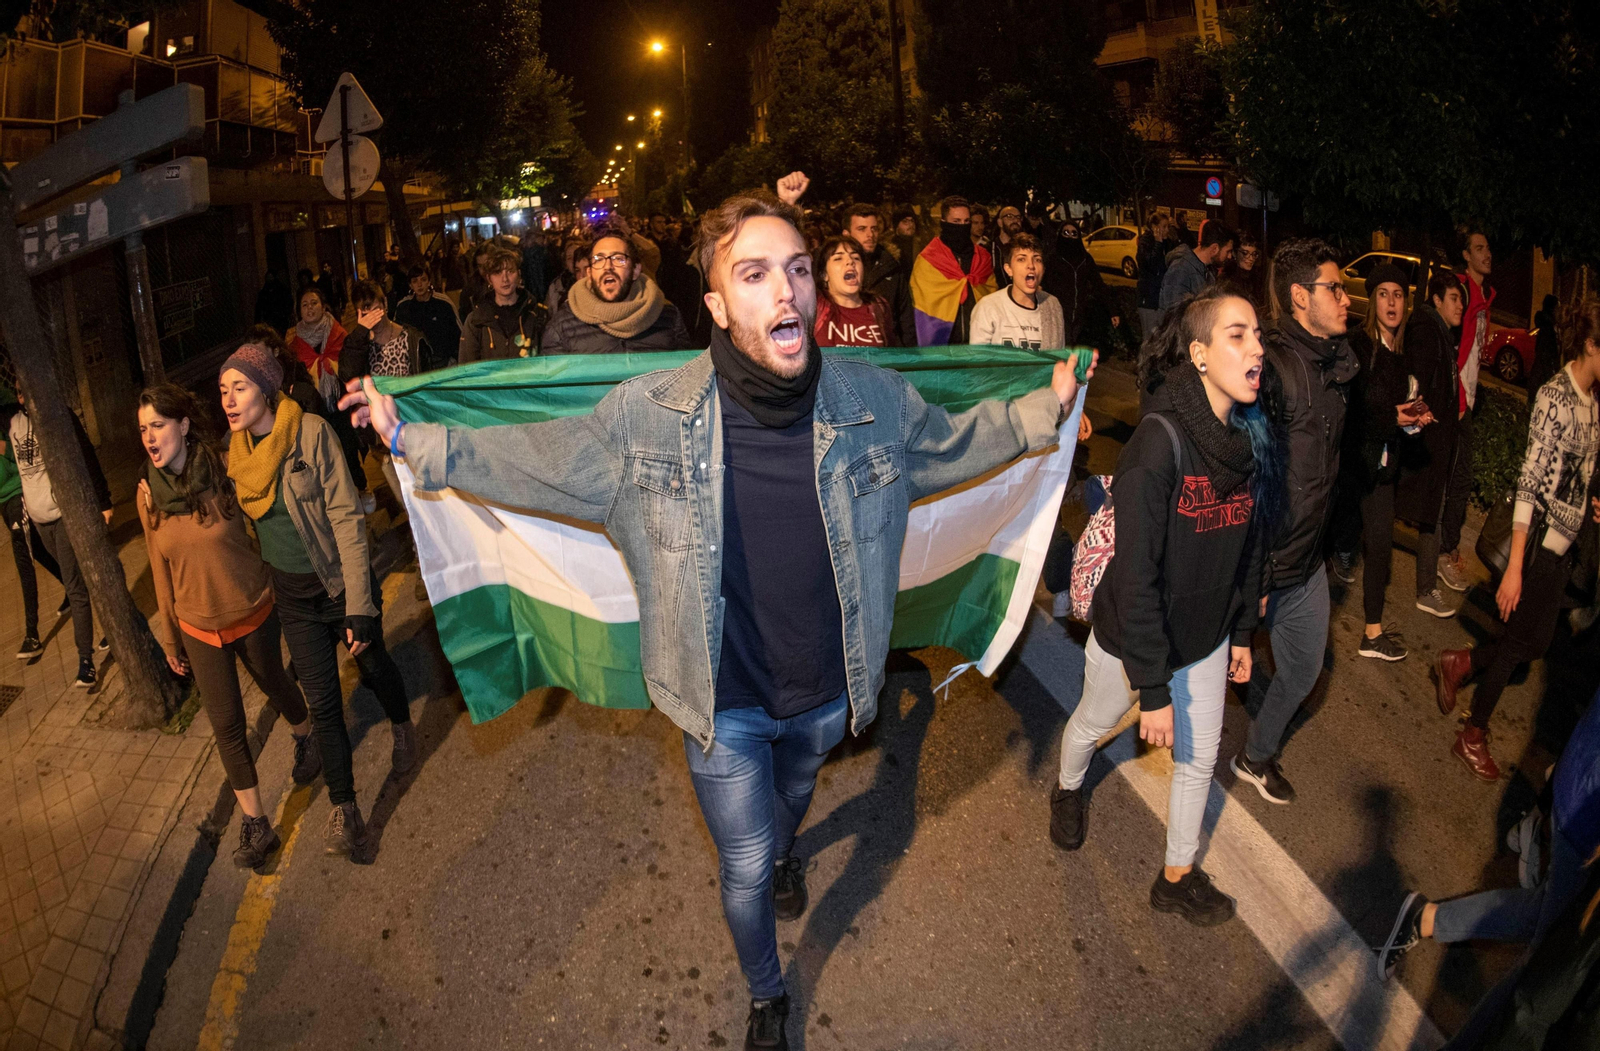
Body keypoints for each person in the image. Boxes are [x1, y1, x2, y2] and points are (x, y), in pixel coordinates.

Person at [341, 189, 1091, 1051]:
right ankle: (768, 991)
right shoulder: (648, 416)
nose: (787, 292)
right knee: (743, 864)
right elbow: (536, 463)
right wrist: (416, 440)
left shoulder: (874, 399)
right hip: (719, 694)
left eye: (800, 270)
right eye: (756, 273)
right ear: (717, 304)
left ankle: (783, 849)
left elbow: (961, 441)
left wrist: (1046, 408)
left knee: (793, 801)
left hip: (828, 686)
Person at [1051, 286, 1280, 926]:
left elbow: (1249, 548)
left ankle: (1176, 876)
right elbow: (1137, 576)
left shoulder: (1250, 440)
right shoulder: (1158, 444)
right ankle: (1067, 790)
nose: (1256, 347)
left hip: (1205, 637)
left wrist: (1241, 634)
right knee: (1095, 728)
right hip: (1135, 641)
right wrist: (1152, 690)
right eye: (1238, 335)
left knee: (1199, 757)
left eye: (1258, 334)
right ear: (1201, 355)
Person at [220, 342, 416, 857]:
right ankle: (345, 809)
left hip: (338, 587)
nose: (230, 399)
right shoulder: (237, 456)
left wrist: (359, 607)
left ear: (266, 388)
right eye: (223, 390)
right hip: (293, 599)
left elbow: (349, 521)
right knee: (324, 705)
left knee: (373, 668)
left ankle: (401, 723)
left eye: (239, 387)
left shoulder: (310, 433)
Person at [134, 384, 319, 869]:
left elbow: (262, 526)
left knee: (275, 681)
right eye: (142, 430)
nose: (150, 438)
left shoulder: (223, 468)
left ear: (183, 425)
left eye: (157, 425)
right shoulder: (147, 494)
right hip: (198, 627)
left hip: (252, 607)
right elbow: (159, 567)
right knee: (227, 726)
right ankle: (257, 825)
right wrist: (169, 636)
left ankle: (306, 734)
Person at [1377, 684, 1600, 1048]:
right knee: (1542, 976)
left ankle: (1428, 917)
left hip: (1583, 793)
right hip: (1588, 818)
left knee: (1549, 917)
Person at [1434, 298, 1600, 780]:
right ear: (1591, 345)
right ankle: (1473, 734)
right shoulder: (1556, 395)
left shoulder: (1592, 404)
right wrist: (1514, 569)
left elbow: (1577, 473)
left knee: (1532, 644)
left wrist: (1589, 503)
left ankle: (1460, 662)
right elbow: (1531, 480)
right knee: (1517, 646)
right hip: (1540, 545)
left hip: (1564, 548)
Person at [1229, 238, 1358, 806]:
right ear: (1302, 297)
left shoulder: (1333, 363)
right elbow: (1246, 479)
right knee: (1196, 668)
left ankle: (1255, 756)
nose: (1346, 298)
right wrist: (1252, 580)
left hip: (1304, 562)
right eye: (1336, 287)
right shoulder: (1273, 369)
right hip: (1252, 562)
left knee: (1304, 670)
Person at [1346, 264, 1436, 660]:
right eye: (1383, 294)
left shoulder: (1403, 358)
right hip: (1350, 464)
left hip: (1381, 471)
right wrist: (1393, 418)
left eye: (1397, 294)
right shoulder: (1358, 347)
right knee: (1326, 537)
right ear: (1373, 301)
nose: (1391, 302)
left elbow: (1400, 416)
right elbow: (1353, 410)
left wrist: (1415, 419)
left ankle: (1372, 632)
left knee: (1380, 546)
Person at [8, 385, 111, 687]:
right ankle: (116, 625)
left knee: (75, 586)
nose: (25, 396)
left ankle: (86, 661)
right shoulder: (12, 423)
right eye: (19, 392)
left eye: (29, 388)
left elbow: (87, 454)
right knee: (79, 579)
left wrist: (104, 499)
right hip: (39, 521)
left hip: (63, 514)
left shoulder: (56, 416)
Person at [1399, 271, 1469, 619]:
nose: (1461, 305)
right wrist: (1422, 420)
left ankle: (1427, 586)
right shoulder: (1428, 331)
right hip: (1428, 442)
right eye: (1455, 298)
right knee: (1430, 514)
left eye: (1462, 299)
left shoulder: (1439, 331)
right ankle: (1426, 589)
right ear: (1437, 299)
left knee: (1430, 512)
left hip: (1436, 441)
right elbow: (1417, 384)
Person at [1436, 229, 1497, 593]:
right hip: (1453, 399)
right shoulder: (1460, 290)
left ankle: (1442, 544)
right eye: (1479, 248)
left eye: (1488, 247)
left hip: (1467, 398)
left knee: (1454, 474)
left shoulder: (1485, 296)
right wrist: (1457, 399)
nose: (1487, 253)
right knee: (1457, 477)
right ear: (1466, 254)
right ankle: (1445, 551)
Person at [540, 228, 692, 355]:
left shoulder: (668, 317)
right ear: (590, 272)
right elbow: (555, 389)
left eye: (619, 259)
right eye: (599, 259)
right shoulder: (562, 326)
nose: (608, 266)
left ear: (636, 270)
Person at [287, 286, 369, 509]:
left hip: (342, 405)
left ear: (324, 307)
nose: (309, 308)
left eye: (314, 303)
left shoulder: (338, 334)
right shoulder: (294, 347)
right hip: (316, 411)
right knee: (323, 457)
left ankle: (359, 490)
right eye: (304, 305)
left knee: (348, 449)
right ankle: (336, 501)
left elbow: (353, 365)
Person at [0, 385, 63, 659]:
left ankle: (32, 634)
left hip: (18, 496)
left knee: (23, 559)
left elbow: (18, 457)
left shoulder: (9, 419)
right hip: (4, 501)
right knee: (36, 550)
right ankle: (74, 586)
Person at [911, 196, 997, 346]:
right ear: (943, 223)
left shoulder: (983, 258)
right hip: (942, 347)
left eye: (966, 222)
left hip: (979, 345)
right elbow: (920, 307)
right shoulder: (928, 259)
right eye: (956, 222)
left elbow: (993, 300)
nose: (962, 226)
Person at [970, 234, 1064, 350]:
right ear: (1009, 269)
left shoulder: (1052, 305)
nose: (1031, 265)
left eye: (1037, 259)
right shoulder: (988, 307)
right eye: (1021, 259)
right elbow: (978, 362)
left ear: (1043, 269)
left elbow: (1058, 357)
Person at [458, 243, 549, 361]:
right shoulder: (477, 320)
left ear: (519, 275)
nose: (504, 279)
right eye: (497, 273)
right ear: (489, 278)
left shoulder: (537, 314)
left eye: (510, 271)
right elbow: (467, 367)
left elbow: (548, 361)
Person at [842, 203, 914, 347]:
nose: (870, 235)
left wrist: (909, 358)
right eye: (862, 229)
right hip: (845, 353)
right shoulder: (831, 268)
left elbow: (905, 320)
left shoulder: (891, 267)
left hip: (887, 355)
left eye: (874, 229)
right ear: (847, 234)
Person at [1042, 218, 1119, 348]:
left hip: (1078, 315)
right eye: (1065, 233)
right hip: (1057, 313)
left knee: (1072, 346)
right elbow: (1044, 285)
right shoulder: (1053, 258)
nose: (1070, 237)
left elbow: (1098, 284)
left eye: (1074, 233)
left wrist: (1113, 311)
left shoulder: (1085, 259)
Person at [812, 236, 892, 349]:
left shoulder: (879, 307)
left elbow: (891, 354)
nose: (850, 262)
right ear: (824, 275)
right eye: (838, 258)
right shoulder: (814, 307)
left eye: (856, 258)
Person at [393, 265, 461, 372]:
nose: (419, 285)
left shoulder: (443, 303)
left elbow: (457, 333)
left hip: (443, 364)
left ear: (429, 282)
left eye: (423, 280)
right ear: (410, 285)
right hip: (416, 365)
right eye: (415, 281)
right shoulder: (404, 307)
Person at [1159, 221, 1236, 313]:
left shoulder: (1208, 270)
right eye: (1228, 251)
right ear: (1214, 248)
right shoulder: (1180, 269)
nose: (1229, 256)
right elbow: (1173, 312)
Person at [1136, 213, 1174, 336]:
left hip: (1161, 300)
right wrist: (1158, 243)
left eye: (1168, 226)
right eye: (1164, 226)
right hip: (1149, 300)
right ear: (1154, 227)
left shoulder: (1166, 243)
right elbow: (1150, 265)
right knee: (1150, 338)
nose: (1167, 230)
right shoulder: (1146, 242)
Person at [545, 240, 590, 317]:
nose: (573, 260)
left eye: (577, 255)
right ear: (565, 263)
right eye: (569, 258)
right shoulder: (556, 286)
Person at [1530, 293, 1562, 396]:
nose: (1559, 311)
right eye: (1557, 308)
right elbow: (1545, 358)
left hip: (1540, 379)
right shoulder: (1547, 330)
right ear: (1552, 309)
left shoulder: (1551, 327)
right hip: (1541, 381)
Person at [1226, 233, 1266, 310]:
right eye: (1245, 253)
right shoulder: (1227, 278)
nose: (1251, 258)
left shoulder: (1256, 278)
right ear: (1235, 253)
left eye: (1254, 254)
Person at [992, 206, 1024, 289]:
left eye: (1018, 217)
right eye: (1009, 216)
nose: (1015, 220)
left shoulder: (1024, 249)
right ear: (1000, 222)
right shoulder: (989, 249)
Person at [254, 269, 294, 334]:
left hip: (281, 319)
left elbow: (288, 302)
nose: (269, 279)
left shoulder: (282, 290)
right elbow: (259, 307)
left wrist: (286, 313)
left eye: (271, 277)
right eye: (268, 277)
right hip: (269, 320)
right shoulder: (264, 292)